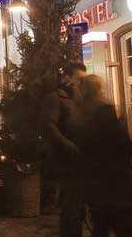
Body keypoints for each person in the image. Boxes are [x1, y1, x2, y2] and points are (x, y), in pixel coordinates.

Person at [76, 75, 132, 237]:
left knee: (100, 225)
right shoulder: (105, 112)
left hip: (94, 181)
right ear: (98, 90)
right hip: (114, 179)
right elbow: (121, 146)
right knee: (122, 224)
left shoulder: (81, 117)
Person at [40, 63, 86, 237]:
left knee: (78, 205)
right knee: (70, 206)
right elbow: (48, 126)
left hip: (79, 157)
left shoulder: (78, 98)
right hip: (65, 159)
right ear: (67, 78)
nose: (81, 83)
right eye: (79, 79)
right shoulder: (54, 98)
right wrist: (68, 145)